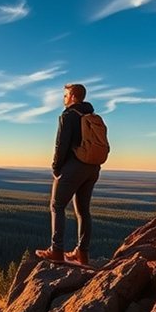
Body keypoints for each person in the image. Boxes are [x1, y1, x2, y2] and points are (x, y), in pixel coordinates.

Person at [36, 83, 101, 266]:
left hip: (73, 167)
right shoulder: (91, 115)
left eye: (65, 95)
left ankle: (56, 251)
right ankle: (82, 253)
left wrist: (56, 168)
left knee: (57, 206)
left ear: (72, 96)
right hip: (92, 168)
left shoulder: (68, 115)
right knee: (83, 211)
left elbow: (61, 144)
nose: (63, 99)